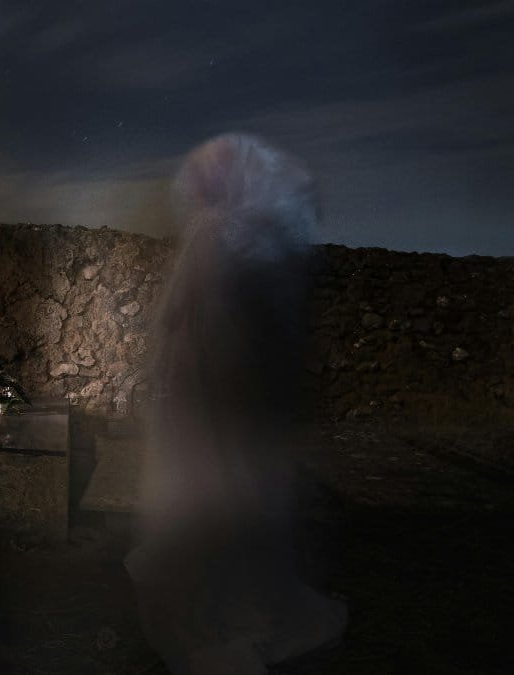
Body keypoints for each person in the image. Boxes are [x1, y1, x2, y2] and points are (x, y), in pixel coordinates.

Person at [125, 134, 347, 674]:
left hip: (214, 395)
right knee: (217, 494)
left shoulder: (224, 237)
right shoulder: (236, 238)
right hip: (208, 395)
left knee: (221, 497)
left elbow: (207, 324)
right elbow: (202, 322)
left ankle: (219, 607)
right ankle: (213, 593)